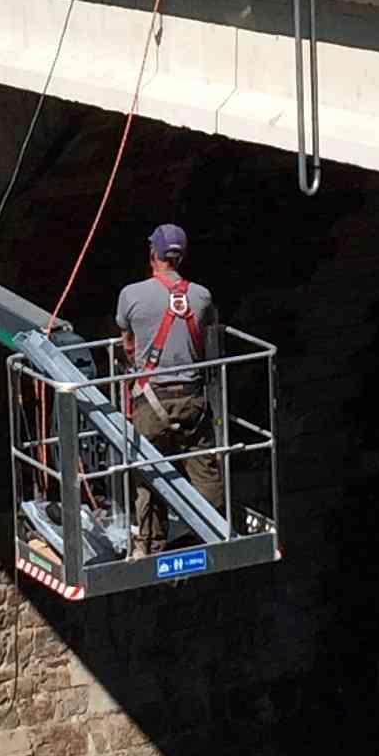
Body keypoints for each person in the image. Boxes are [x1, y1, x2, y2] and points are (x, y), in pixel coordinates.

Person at [116, 223, 225, 557]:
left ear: (153, 253)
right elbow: (205, 334)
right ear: (182, 256)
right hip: (192, 398)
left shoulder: (131, 295)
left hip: (152, 402)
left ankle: (150, 544)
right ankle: (213, 532)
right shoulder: (202, 295)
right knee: (204, 465)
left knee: (149, 474)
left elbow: (128, 345)